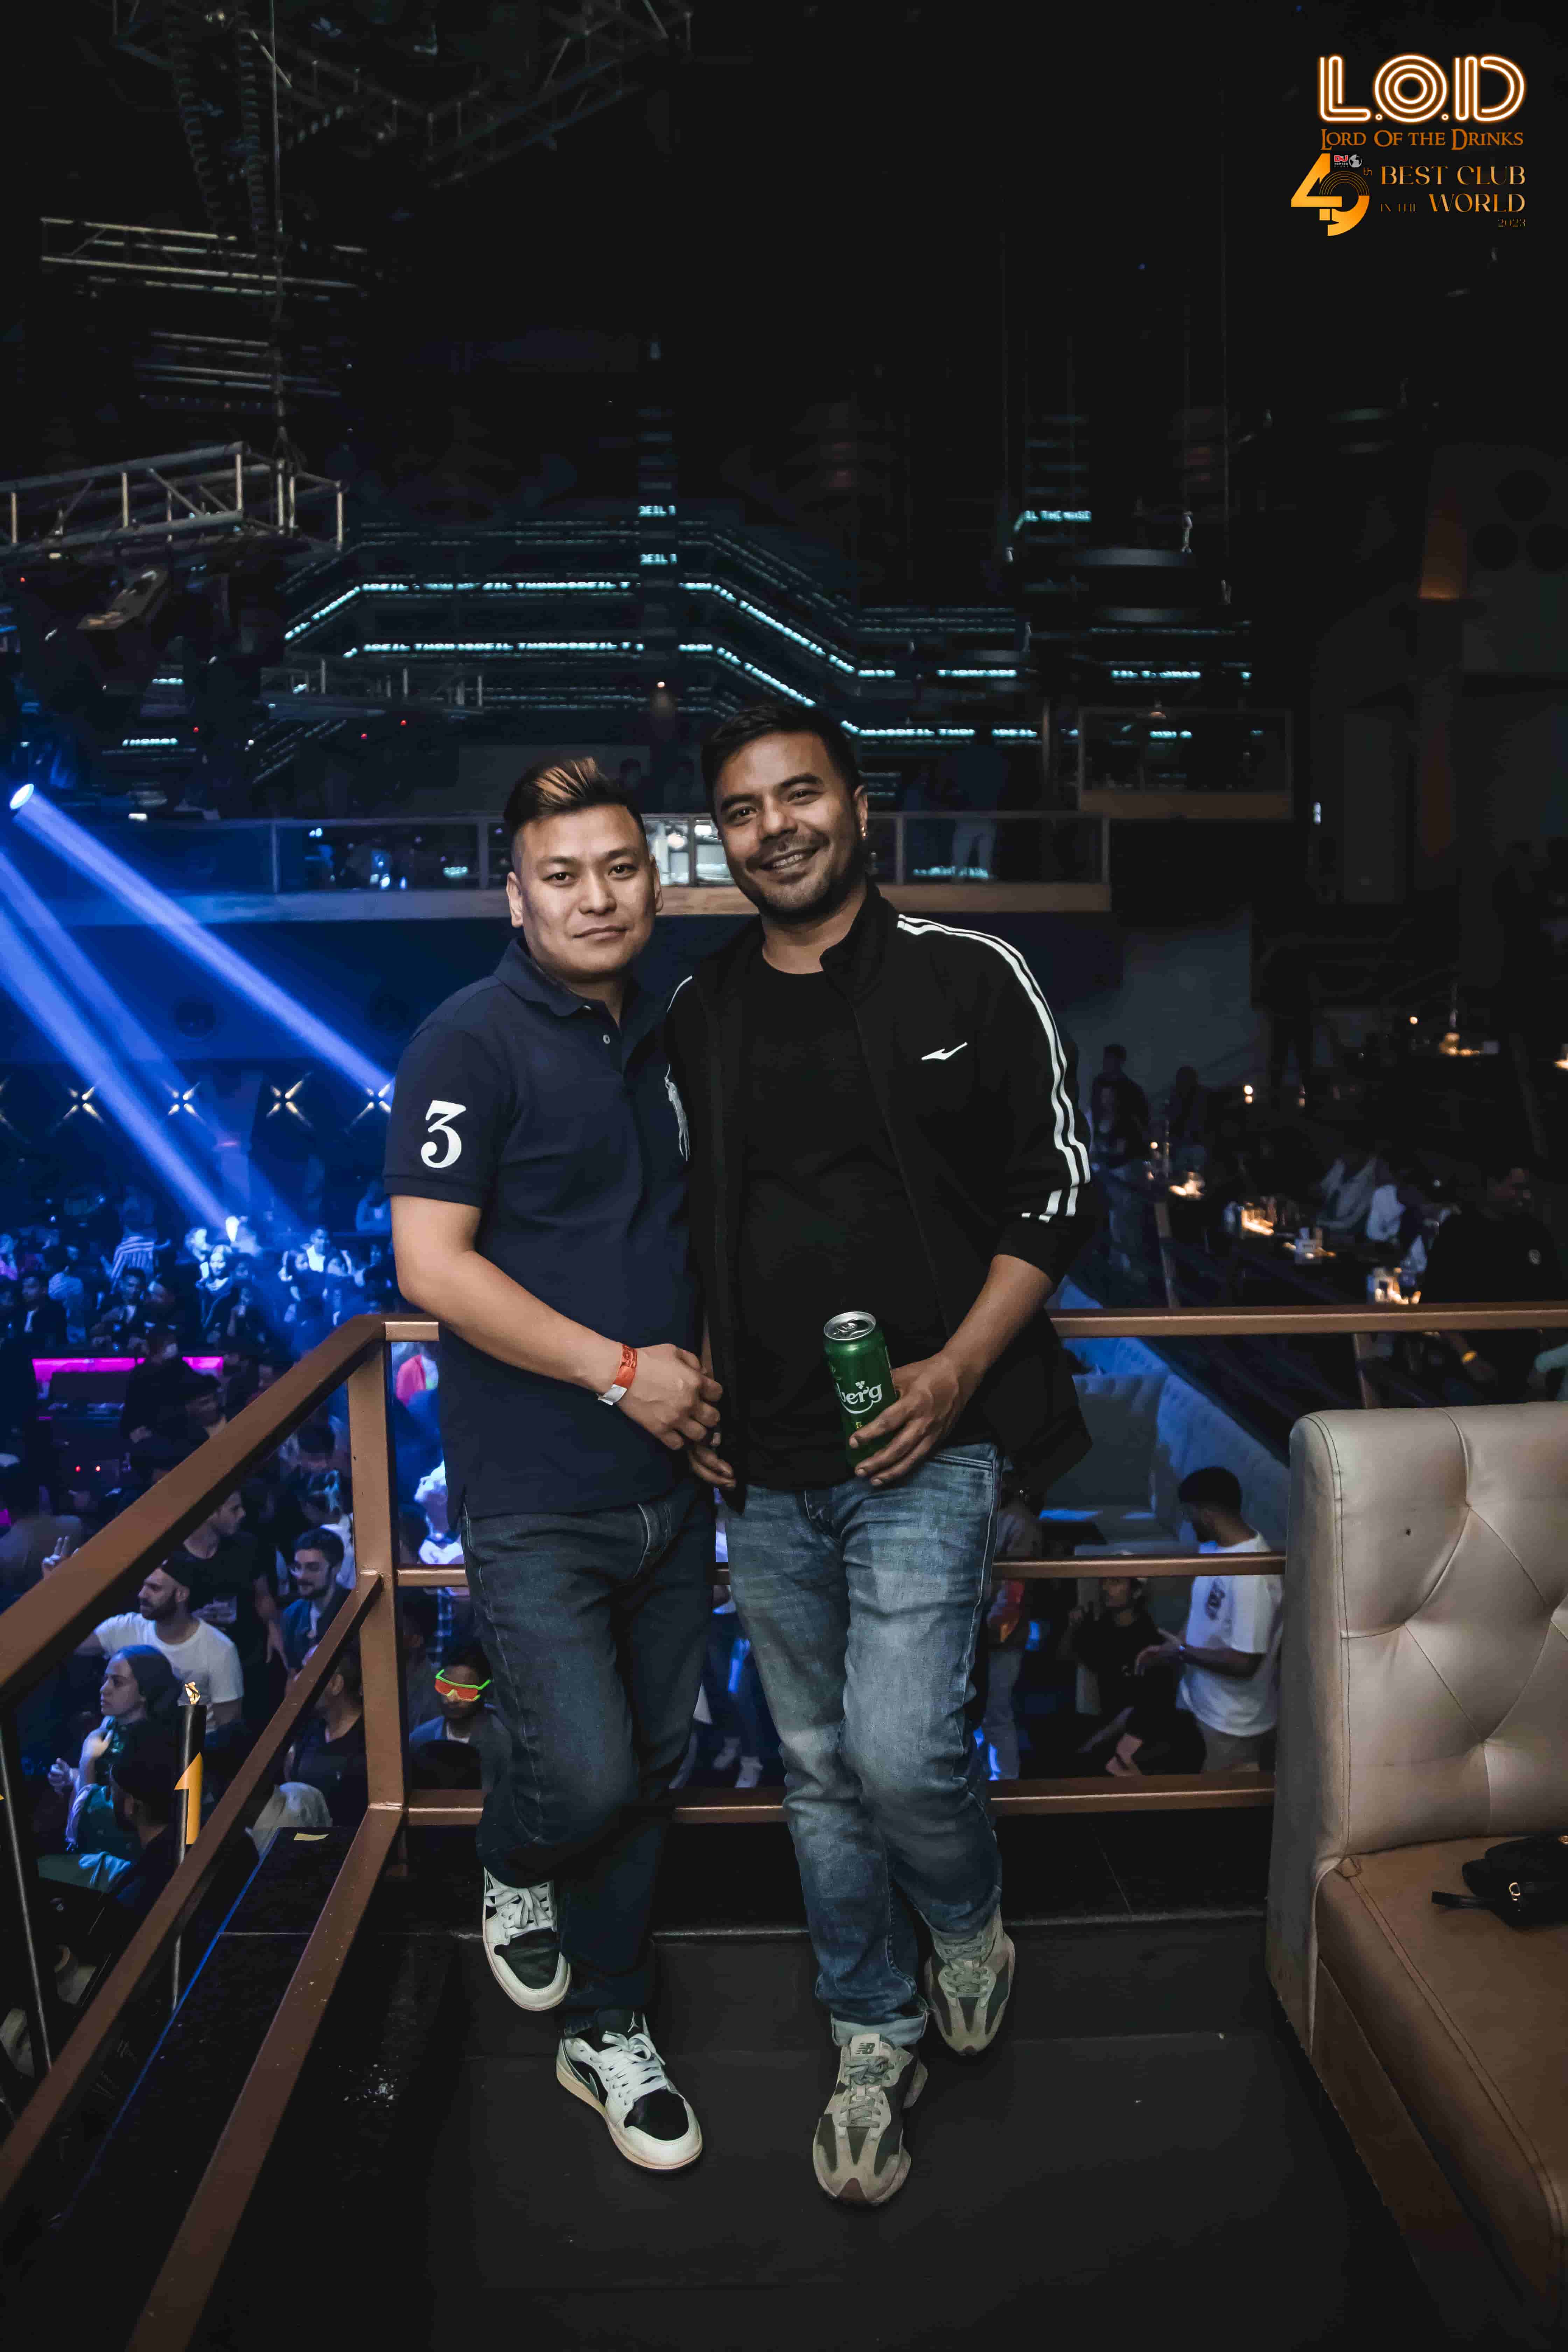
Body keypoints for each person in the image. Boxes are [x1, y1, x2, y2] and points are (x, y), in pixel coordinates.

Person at [670, 697, 1097, 2206]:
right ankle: (869, 2022)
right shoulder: (701, 1008)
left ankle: (965, 1919)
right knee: (811, 1767)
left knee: (903, 1747)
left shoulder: (969, 973)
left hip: (936, 1434)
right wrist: (694, 1372)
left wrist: (961, 1363)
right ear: (720, 839)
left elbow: (1058, 1186)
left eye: (799, 793)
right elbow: (689, 1221)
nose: (773, 826)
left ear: (859, 806)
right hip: (765, 1458)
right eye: (741, 808)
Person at [385, 753, 715, 2175]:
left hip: (677, 1484)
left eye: (620, 868)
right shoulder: (468, 1041)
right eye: (562, 875)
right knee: (580, 1779)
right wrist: (624, 1372)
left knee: (654, 1770)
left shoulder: (672, 1030)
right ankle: (513, 1860)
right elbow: (430, 1265)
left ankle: (611, 2023)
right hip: (534, 1486)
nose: (597, 897)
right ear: (514, 897)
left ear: (657, 881)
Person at [1133, 1467, 1281, 1774]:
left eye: (1189, 1514)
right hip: (1197, 1701)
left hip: (1230, 1723)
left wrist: (1182, 1652)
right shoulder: (1213, 1547)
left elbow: (1245, 1663)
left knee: (1214, 1801)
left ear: (1207, 1514)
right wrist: (1172, 1648)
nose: (1188, 1521)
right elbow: (1202, 1612)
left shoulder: (1252, 1576)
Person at [1419, 1157, 1565, 1402]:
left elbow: (1555, 1302)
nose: (1525, 1196)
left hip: (1527, 1370)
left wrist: (1545, 1363)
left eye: (1527, 1189)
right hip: (1469, 1369)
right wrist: (1468, 1357)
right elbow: (1434, 1301)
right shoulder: (1459, 1231)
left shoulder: (1535, 1233)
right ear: (1491, 1185)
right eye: (1516, 1188)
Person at [77, 1561, 244, 1724]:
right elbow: (74, 1643)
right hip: (125, 1736)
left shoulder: (220, 1649)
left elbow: (228, 1724)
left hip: (190, 1739)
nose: (142, 1594)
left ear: (181, 1595)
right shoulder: (125, 1628)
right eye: (144, 1586)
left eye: (154, 1588)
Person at [175, 1491, 284, 1728]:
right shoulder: (172, 1557)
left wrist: (274, 1628)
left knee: (255, 1727)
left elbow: (263, 1595)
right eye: (234, 1509)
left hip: (249, 1658)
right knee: (202, 1728)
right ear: (209, 1513)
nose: (243, 1514)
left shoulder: (247, 1545)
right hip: (195, 1669)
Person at [408, 1637, 510, 1792]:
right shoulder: (420, 1739)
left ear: (486, 1691)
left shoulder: (503, 1746)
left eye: (465, 1691)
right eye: (445, 1687)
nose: (451, 1698)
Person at [286, 1636, 368, 1826]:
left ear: (336, 1684)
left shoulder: (369, 1742)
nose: (297, 1679)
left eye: (309, 1671)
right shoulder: (308, 1728)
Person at [281, 1528, 347, 1672]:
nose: (302, 1576)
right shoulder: (292, 1615)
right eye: (298, 1567)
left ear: (336, 1568)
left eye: (313, 1568)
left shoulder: (354, 1609)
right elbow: (293, 1676)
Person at [1315, 1138, 1378, 1242]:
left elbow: (1351, 1224)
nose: (1345, 1157)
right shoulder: (1341, 1165)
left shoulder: (1371, 1183)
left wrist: (1318, 1223)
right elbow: (1323, 1189)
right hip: (1321, 1227)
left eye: (1352, 1153)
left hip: (1346, 1237)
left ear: (1364, 1155)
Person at [17, 1273, 67, 1352]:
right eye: (24, 1288)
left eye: (31, 1288)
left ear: (44, 1290)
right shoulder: (20, 1311)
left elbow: (51, 1342)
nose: (25, 1292)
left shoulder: (55, 1311)